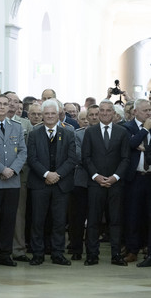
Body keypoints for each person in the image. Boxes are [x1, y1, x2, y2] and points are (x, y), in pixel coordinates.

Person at [26, 99, 77, 266]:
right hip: (39, 184)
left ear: (58, 115)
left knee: (59, 221)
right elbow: (32, 159)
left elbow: (71, 159)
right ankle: (37, 254)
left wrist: (57, 175)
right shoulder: (34, 134)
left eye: (52, 113)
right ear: (42, 115)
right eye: (46, 114)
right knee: (38, 221)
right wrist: (47, 174)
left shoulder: (69, 133)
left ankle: (58, 253)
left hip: (61, 185)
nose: (49, 116)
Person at [82, 100, 130, 266]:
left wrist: (115, 177)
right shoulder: (90, 132)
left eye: (108, 111)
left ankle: (116, 255)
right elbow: (86, 157)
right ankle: (92, 255)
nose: (104, 113)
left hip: (115, 184)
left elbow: (125, 158)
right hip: (96, 183)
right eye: (101, 110)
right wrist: (96, 176)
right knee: (93, 220)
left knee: (115, 221)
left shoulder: (122, 132)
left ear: (114, 113)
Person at [0, 94, 27, 268]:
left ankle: (5, 253)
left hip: (12, 181)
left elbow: (23, 151)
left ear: (9, 107)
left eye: (5, 104)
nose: (2, 107)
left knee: (9, 219)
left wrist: (12, 170)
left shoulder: (16, 126)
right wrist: (1, 169)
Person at [121, 99, 151, 266]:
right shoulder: (128, 127)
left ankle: (148, 249)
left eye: (150, 110)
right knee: (132, 215)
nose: (149, 113)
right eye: (145, 110)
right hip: (135, 178)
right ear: (136, 112)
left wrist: (145, 148)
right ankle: (132, 249)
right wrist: (145, 130)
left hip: (150, 177)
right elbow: (130, 144)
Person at [67, 105, 99, 261]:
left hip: (100, 182)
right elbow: (78, 155)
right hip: (81, 181)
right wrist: (98, 165)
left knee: (94, 217)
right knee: (77, 218)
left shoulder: (107, 134)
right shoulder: (77, 134)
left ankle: (93, 250)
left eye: (94, 115)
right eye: (87, 117)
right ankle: (76, 248)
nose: (91, 119)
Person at [4, 91, 32, 263]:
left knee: (18, 214)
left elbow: (27, 150)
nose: (13, 104)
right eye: (9, 101)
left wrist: (13, 169)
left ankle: (18, 249)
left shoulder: (25, 124)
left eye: (16, 102)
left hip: (19, 174)